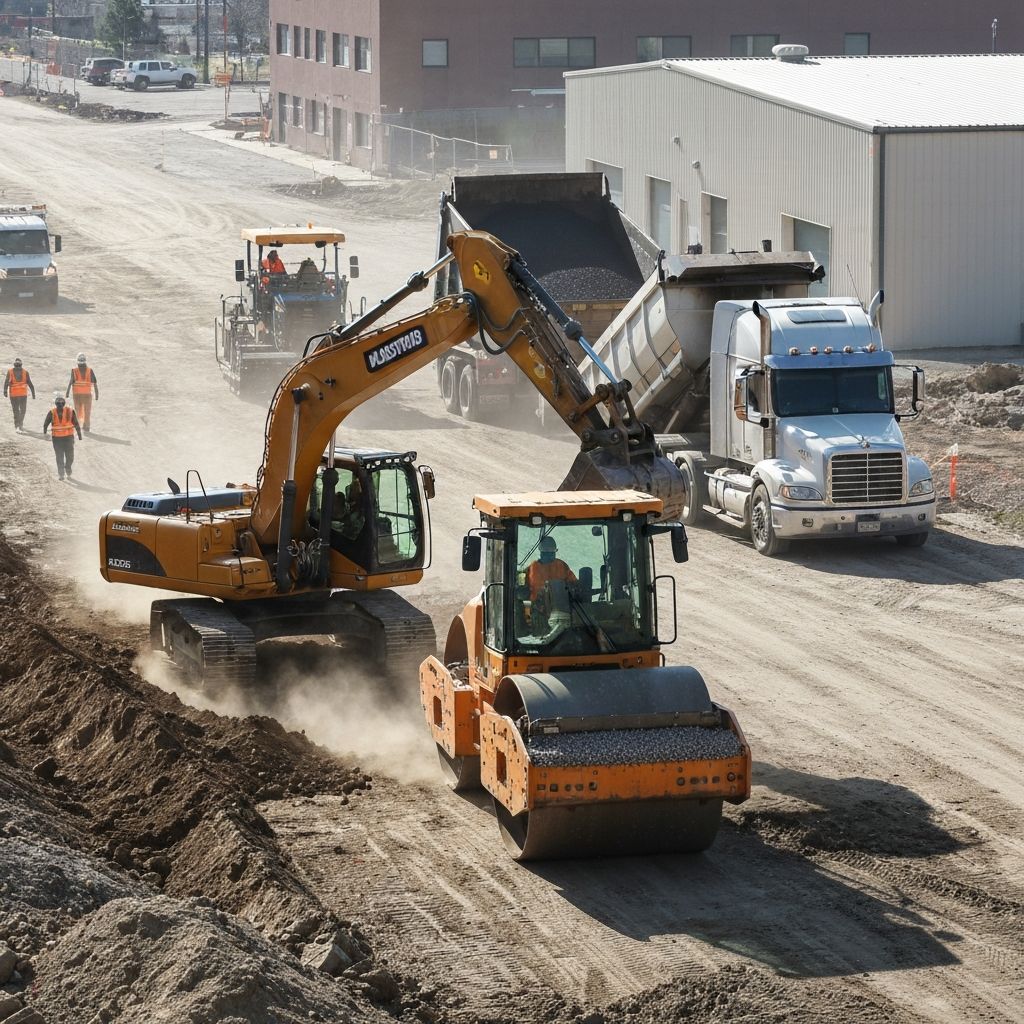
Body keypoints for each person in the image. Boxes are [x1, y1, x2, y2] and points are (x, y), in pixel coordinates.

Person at [43, 394, 82, 480]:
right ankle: (61, 474)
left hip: (68, 438)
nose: (60, 405)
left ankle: (68, 468)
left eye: (61, 403)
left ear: (64, 404)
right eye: (58, 403)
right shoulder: (52, 412)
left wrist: (79, 434)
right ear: (56, 404)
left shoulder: (70, 411)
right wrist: (45, 433)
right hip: (57, 439)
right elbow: (45, 424)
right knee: (59, 456)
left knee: (70, 456)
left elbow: (76, 423)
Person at [526, 536, 577, 601]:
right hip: (537, 608)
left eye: (552, 552)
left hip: (560, 607)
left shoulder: (562, 566)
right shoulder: (531, 569)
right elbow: (521, 585)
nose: (550, 556)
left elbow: (574, 583)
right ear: (541, 553)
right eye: (546, 553)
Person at [66, 353, 98, 434]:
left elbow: (71, 382)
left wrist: (67, 392)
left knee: (79, 411)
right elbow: (94, 383)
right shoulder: (89, 371)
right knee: (86, 411)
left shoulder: (75, 370)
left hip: (77, 395)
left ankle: (81, 426)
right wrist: (97, 394)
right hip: (86, 395)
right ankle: (85, 427)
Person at [4, 357, 35, 433]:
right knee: (22, 410)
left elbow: (6, 382)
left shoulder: (10, 371)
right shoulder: (25, 372)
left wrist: (5, 391)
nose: (17, 367)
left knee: (16, 410)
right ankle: (19, 425)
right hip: (21, 395)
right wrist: (33, 394)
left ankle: (18, 425)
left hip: (14, 395)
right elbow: (30, 384)